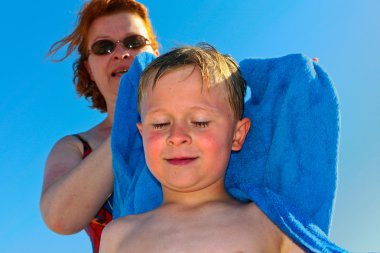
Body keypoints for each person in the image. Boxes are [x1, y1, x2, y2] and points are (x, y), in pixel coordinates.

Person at [100, 44, 305, 252]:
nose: (177, 137)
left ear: (237, 135)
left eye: (199, 122)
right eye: (160, 124)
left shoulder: (271, 225)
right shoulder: (118, 235)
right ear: (142, 135)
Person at [40, 0, 159, 252]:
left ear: (155, 54)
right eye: (104, 46)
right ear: (89, 69)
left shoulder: (199, 121)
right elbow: (60, 217)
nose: (120, 53)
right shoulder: (75, 146)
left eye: (134, 42)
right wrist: (132, 120)